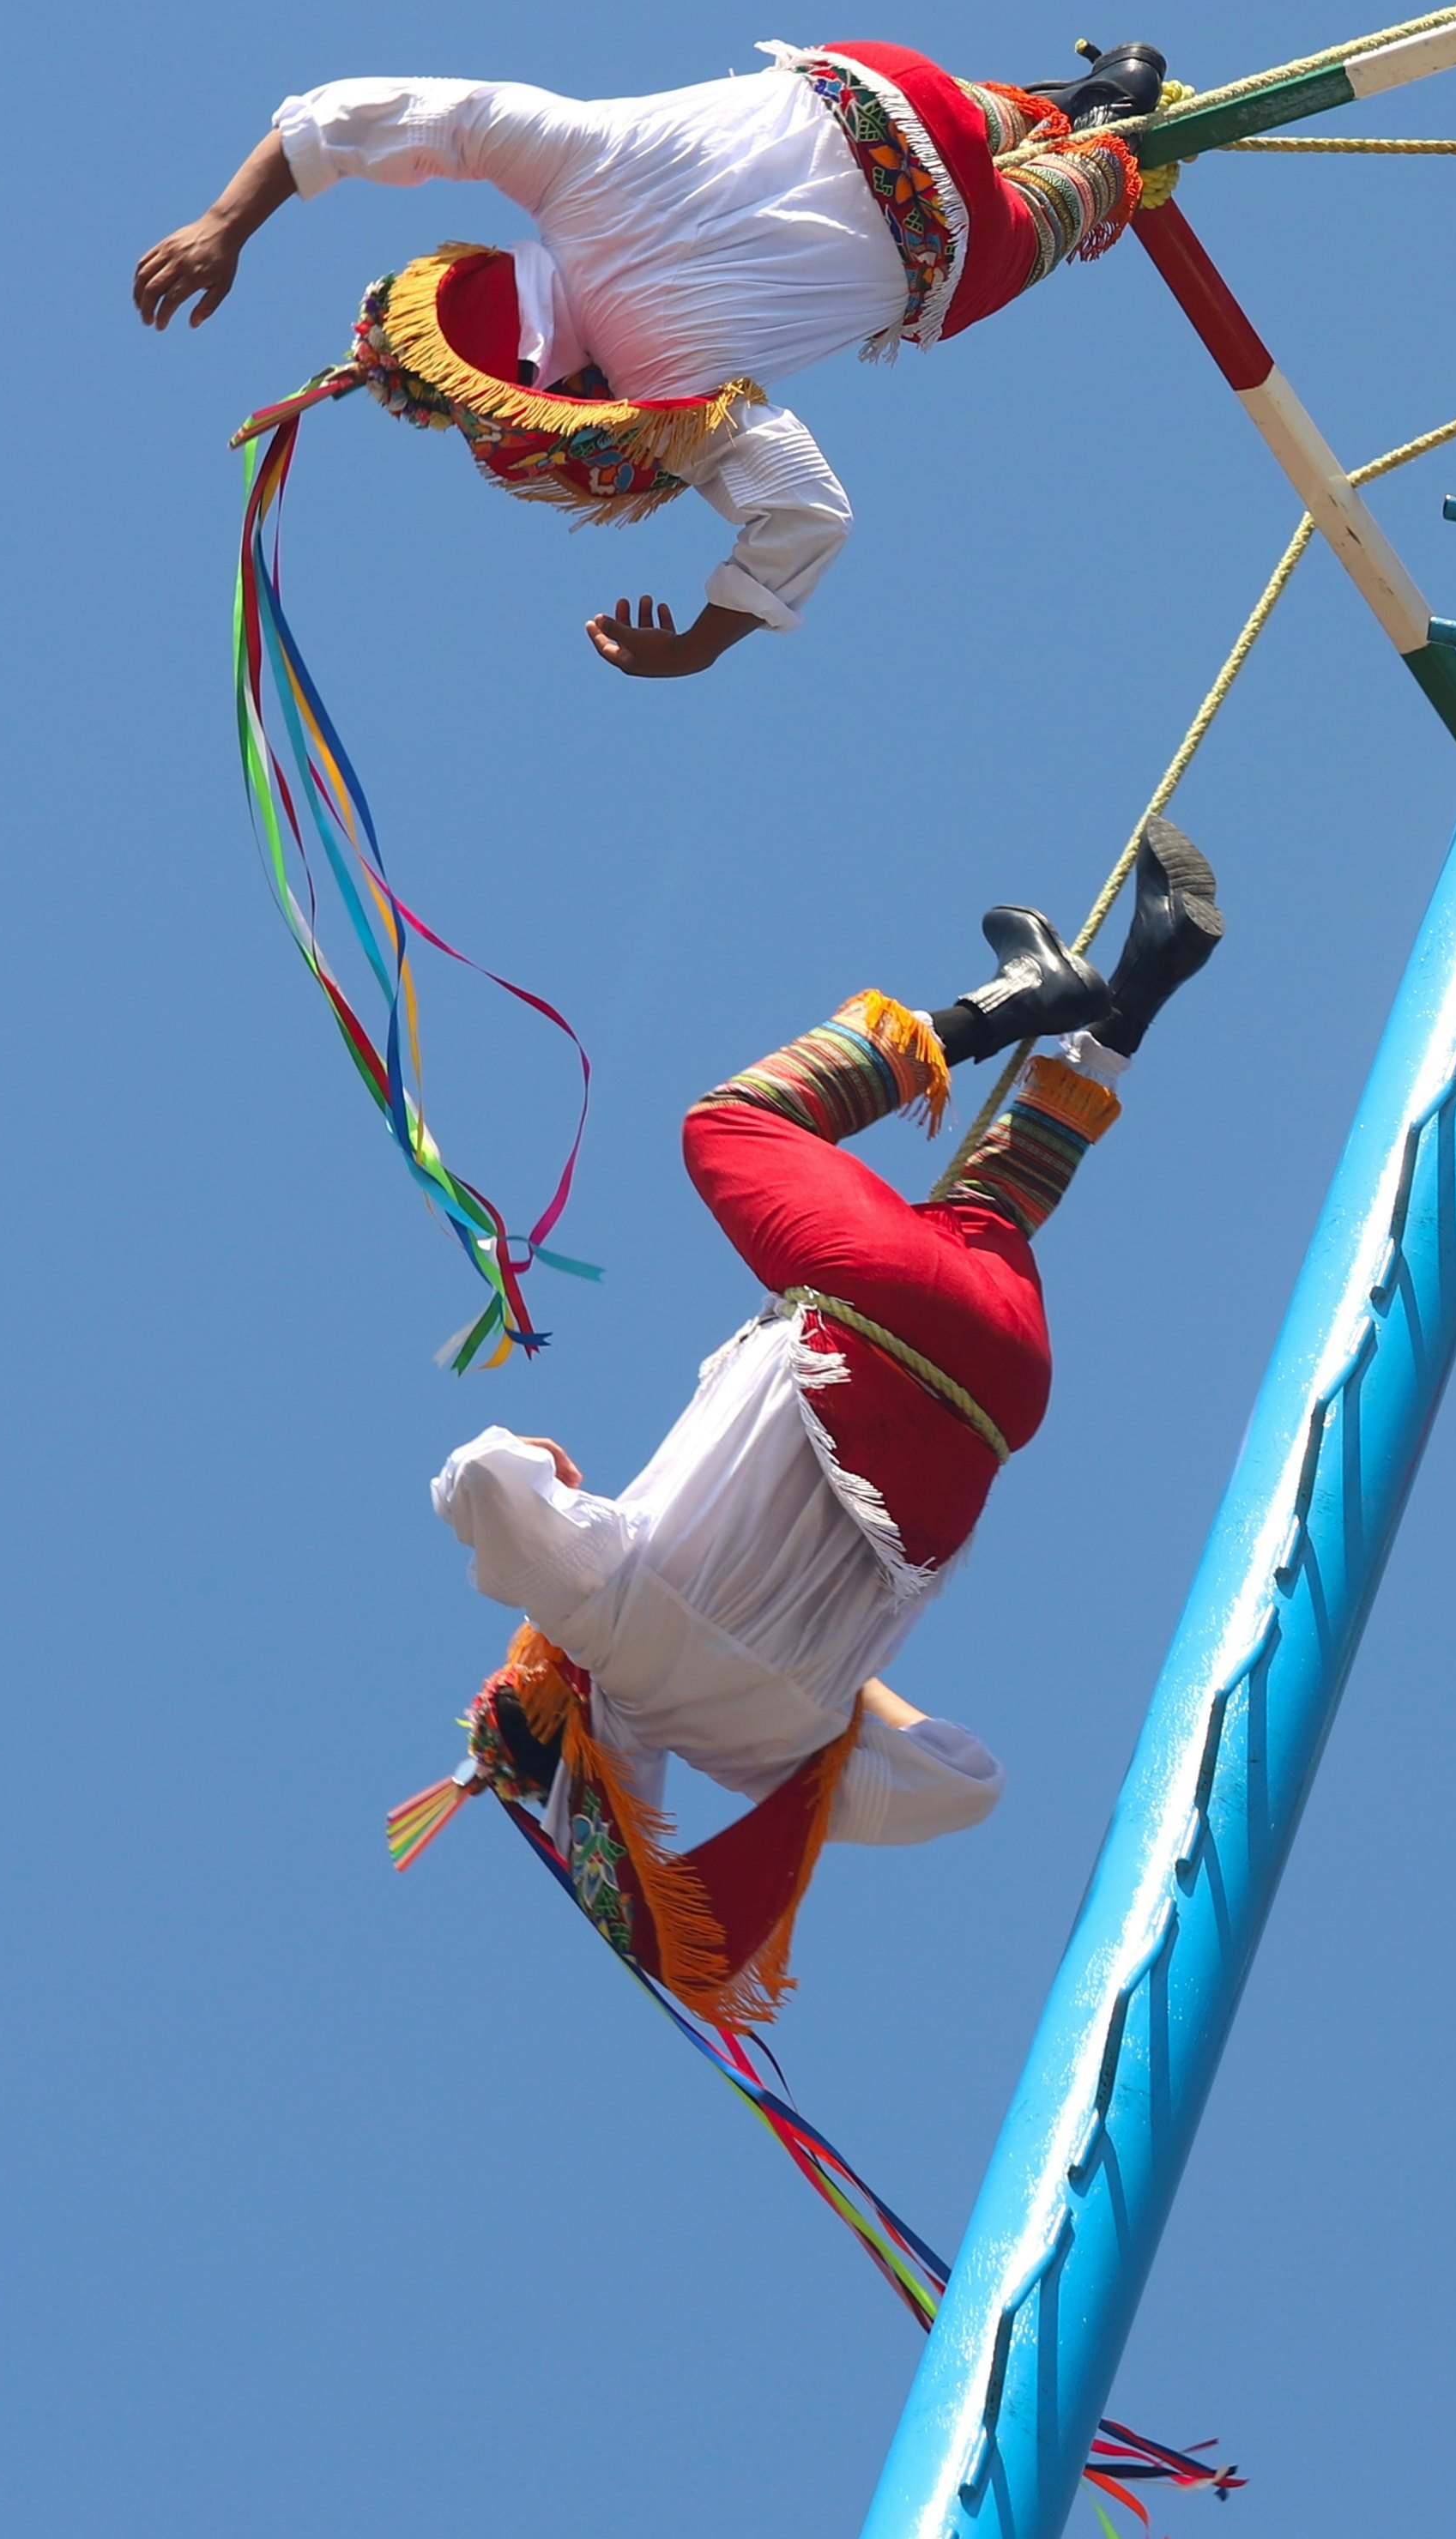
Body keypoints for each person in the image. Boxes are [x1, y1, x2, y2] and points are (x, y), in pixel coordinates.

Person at [411, 829, 1224, 2025]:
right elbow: (481, 1480)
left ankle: (1133, 1001)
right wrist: (549, 1467)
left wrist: (849, 1703)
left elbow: (966, 1786)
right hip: (874, 1326)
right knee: (729, 1125)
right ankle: (1008, 1003)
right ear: (552, 1693)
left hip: (999, 1398)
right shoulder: (598, 1609)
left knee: (982, 1216)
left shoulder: (783, 1754)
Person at [143, 36, 1175, 677]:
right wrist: (224, 223)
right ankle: (1057, 105)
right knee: (946, 109)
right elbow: (379, 114)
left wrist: (701, 641)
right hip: (884, 86)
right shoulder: (565, 159)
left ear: (547, 402)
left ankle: (1107, 142)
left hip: (952, 237)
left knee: (1048, 207)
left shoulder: (667, 397)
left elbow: (808, 511)